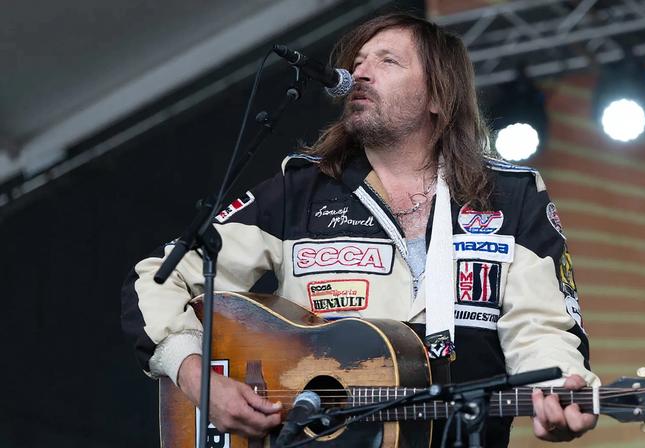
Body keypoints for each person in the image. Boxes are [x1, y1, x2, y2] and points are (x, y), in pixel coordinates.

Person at [120, 12, 598, 446]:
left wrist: (559, 391)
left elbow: (542, 328)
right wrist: (198, 378)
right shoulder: (298, 191)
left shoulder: (510, 195)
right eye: (359, 60)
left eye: (388, 61)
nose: (360, 73)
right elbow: (158, 278)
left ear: (438, 95)